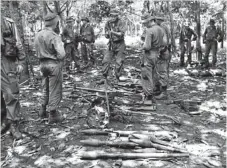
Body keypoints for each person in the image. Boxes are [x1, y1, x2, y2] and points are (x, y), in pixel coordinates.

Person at [34, 13, 66, 123]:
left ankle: (42, 110)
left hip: (42, 65)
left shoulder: (38, 35)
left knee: (45, 88)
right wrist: (56, 59)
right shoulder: (54, 36)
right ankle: (53, 114)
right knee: (55, 89)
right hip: (53, 64)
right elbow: (61, 54)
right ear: (55, 23)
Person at [1, 16, 26, 139]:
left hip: (7, 63)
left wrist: (21, 62)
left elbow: (18, 42)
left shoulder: (8, 23)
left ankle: (13, 124)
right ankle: (3, 122)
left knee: (12, 94)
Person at [141, 13, 165, 109]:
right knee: (154, 73)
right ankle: (155, 91)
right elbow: (163, 43)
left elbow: (147, 46)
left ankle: (149, 95)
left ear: (150, 21)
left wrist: (142, 46)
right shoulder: (160, 29)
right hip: (156, 53)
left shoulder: (149, 30)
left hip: (149, 54)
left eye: (145, 22)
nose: (144, 24)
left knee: (146, 75)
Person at [102, 9, 126, 82]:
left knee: (119, 61)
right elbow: (106, 34)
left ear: (117, 16)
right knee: (106, 60)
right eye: (111, 16)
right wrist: (107, 34)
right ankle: (104, 77)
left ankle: (117, 77)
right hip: (111, 43)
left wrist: (113, 32)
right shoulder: (108, 23)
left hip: (120, 43)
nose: (112, 18)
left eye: (114, 16)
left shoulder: (121, 22)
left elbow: (121, 34)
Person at [155, 14, 171, 99]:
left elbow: (164, 42)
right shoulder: (164, 27)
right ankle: (159, 88)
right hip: (163, 51)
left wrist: (159, 50)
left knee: (162, 72)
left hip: (162, 52)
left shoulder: (161, 28)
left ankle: (164, 93)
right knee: (159, 71)